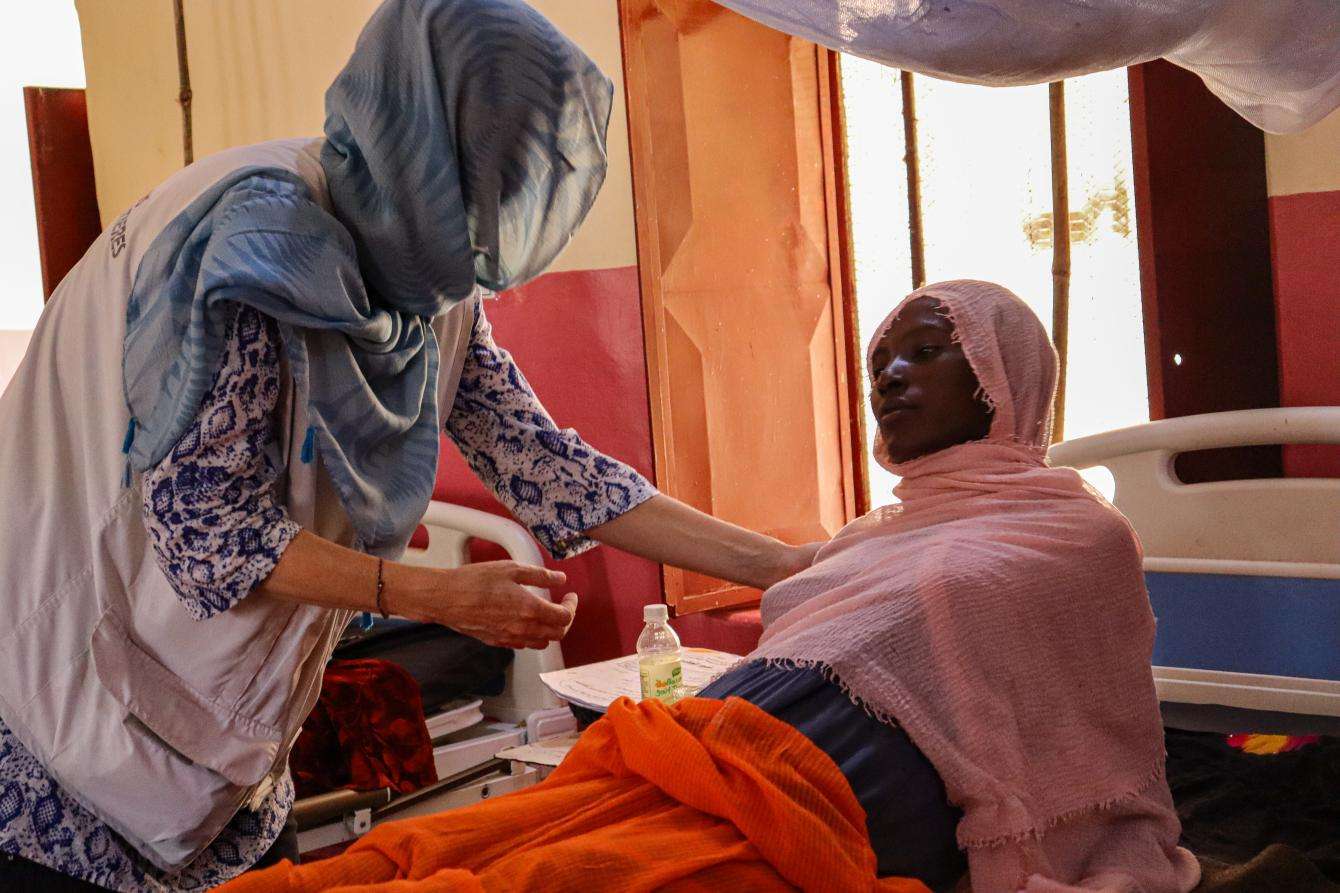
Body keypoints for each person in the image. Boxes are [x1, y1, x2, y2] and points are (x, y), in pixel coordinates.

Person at [0, 1, 814, 890]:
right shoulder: (247, 248)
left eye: (515, 185)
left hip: (219, 743)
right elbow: (209, 534)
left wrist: (790, 562)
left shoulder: (427, 283)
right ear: (423, 134)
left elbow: (553, 468)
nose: (495, 212)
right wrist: (440, 595)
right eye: (483, 173)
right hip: (59, 710)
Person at [225, 280, 1202, 893]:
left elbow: (1072, 726)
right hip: (691, 751)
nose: (890, 377)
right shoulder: (878, 534)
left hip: (824, 801)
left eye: (926, 349)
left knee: (545, 878)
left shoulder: (1072, 533)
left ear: (1004, 370)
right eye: (877, 361)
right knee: (429, 850)